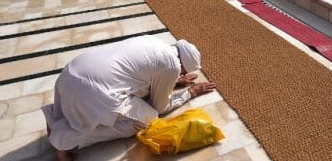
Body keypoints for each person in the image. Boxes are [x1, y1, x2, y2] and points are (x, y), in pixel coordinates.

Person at [42, 35, 216, 161]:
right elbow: (160, 107)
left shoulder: (155, 42)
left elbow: (140, 76)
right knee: (148, 119)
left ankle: (55, 116)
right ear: (183, 68)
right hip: (93, 92)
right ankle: (66, 139)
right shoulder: (171, 66)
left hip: (70, 74)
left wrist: (174, 81)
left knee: (122, 100)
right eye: (183, 72)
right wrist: (190, 92)